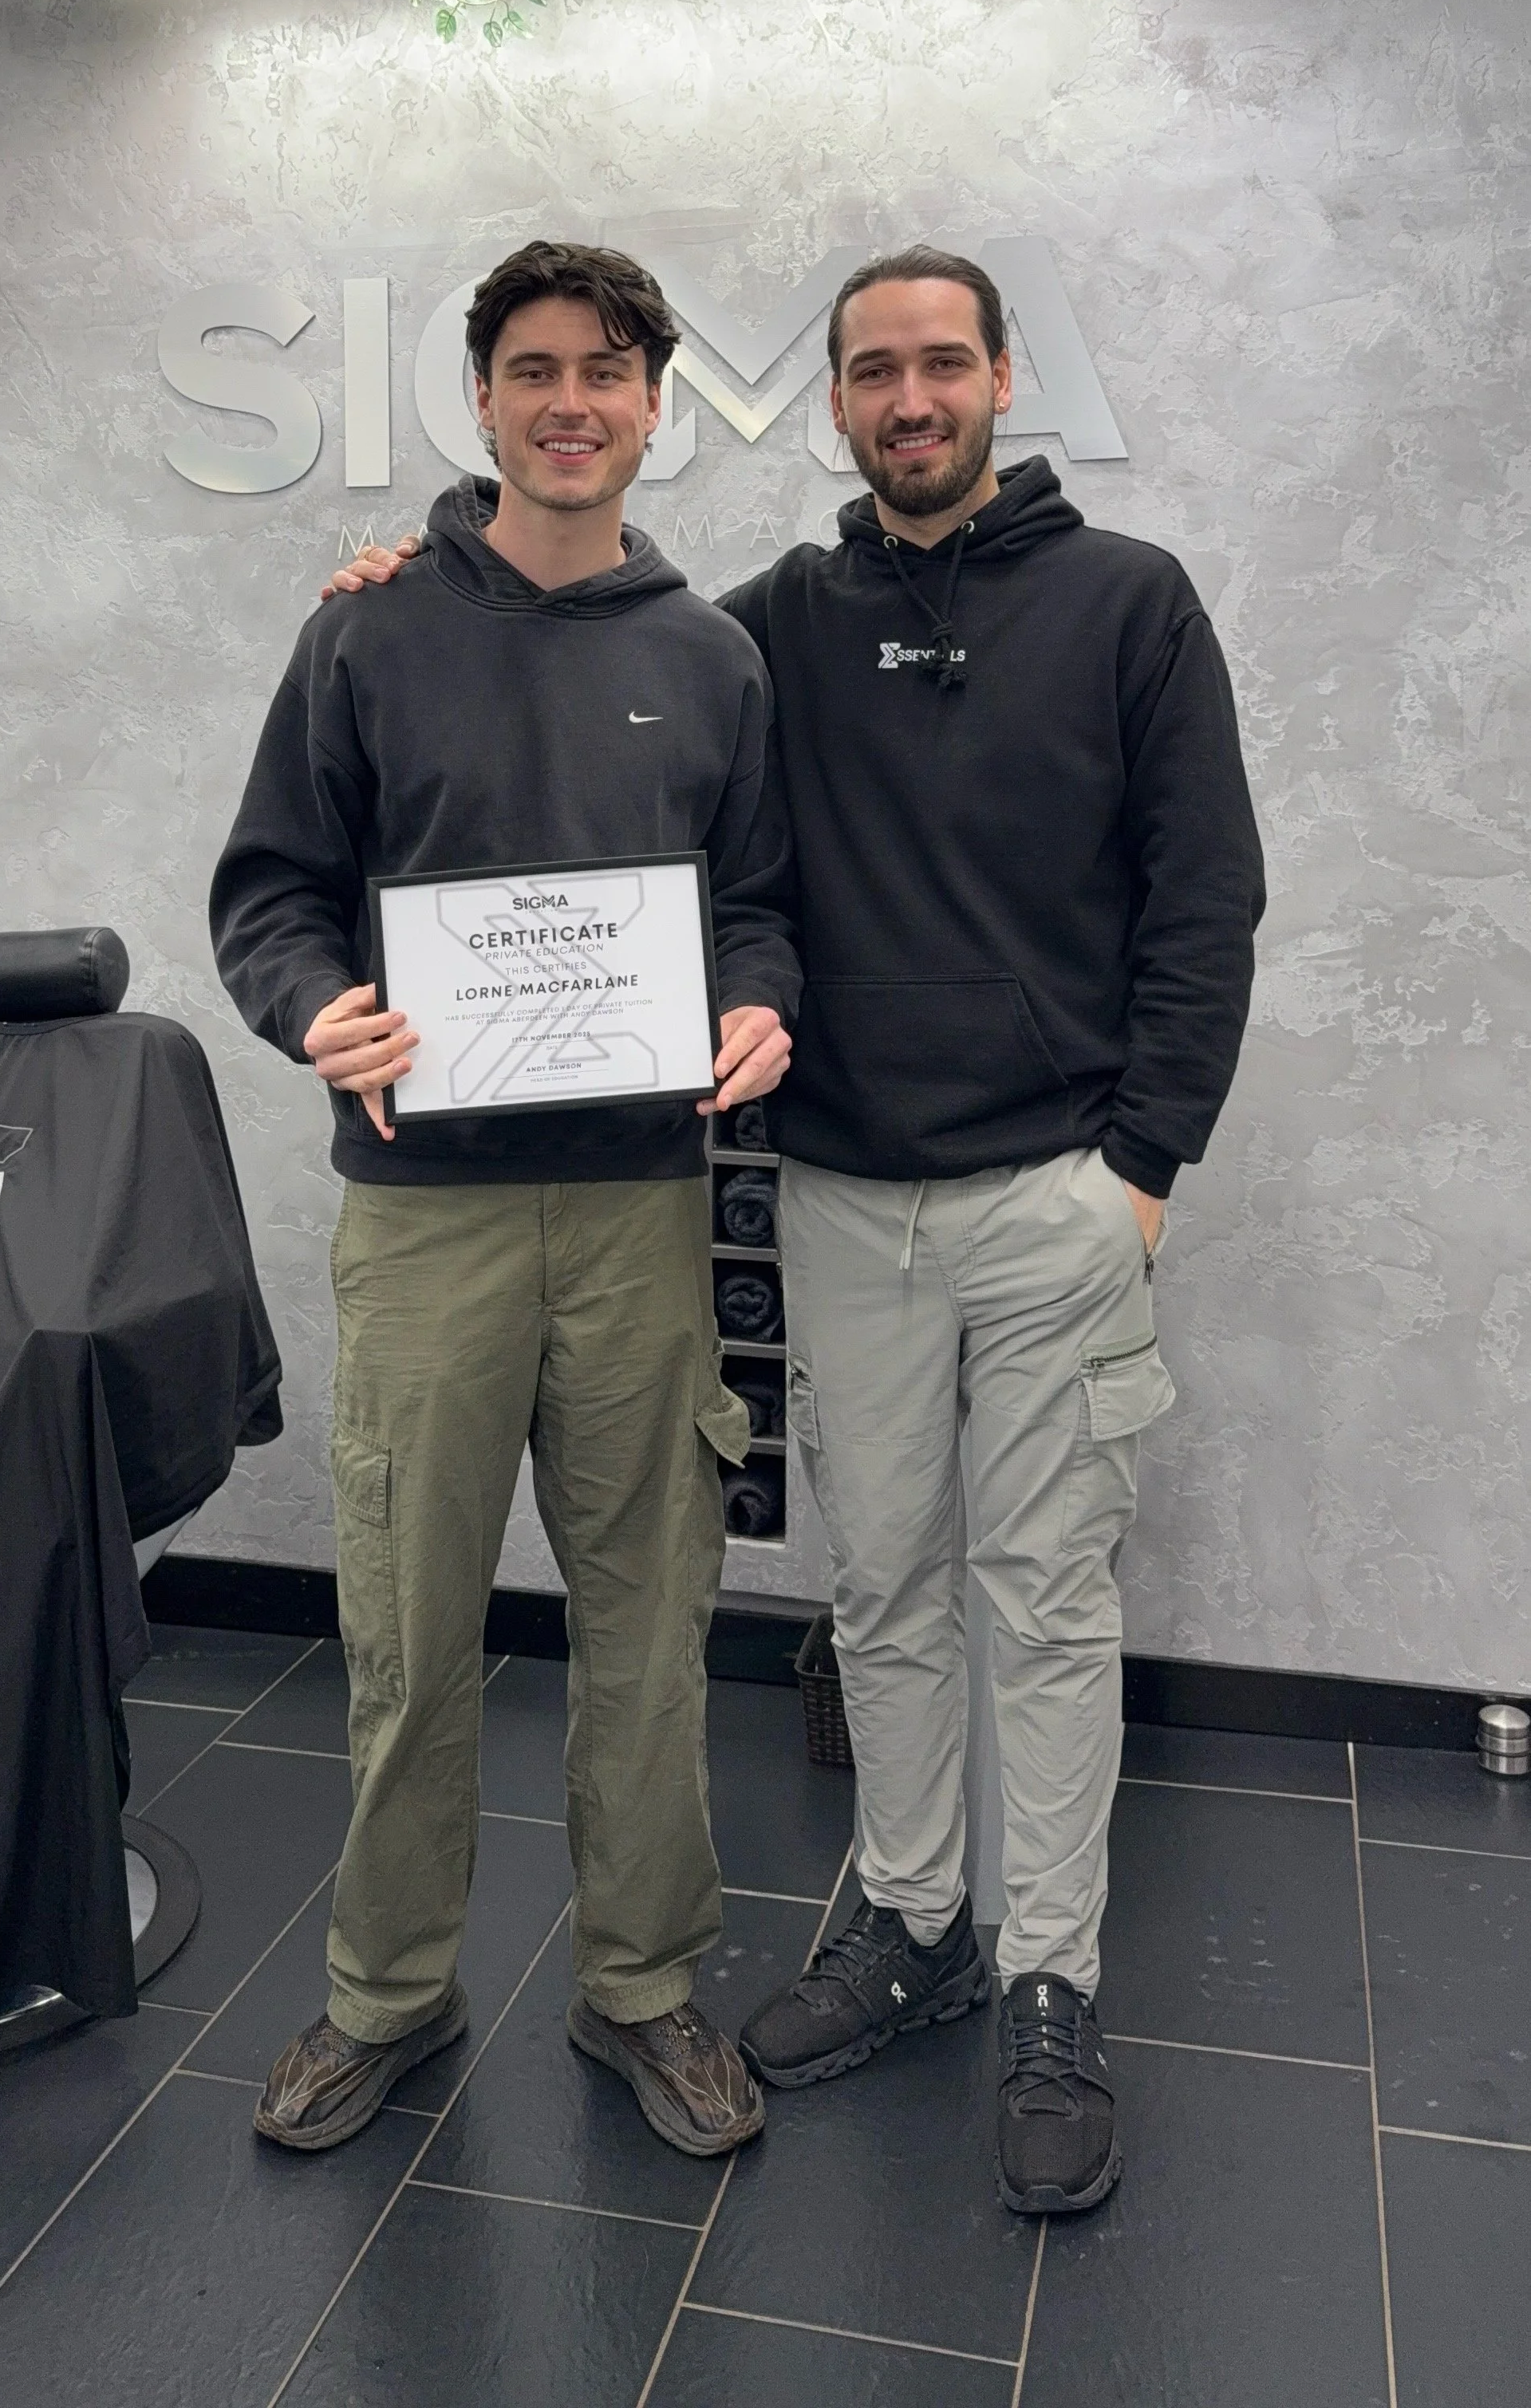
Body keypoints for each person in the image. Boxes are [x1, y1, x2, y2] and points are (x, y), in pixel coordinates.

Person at [322, 240, 1264, 2216]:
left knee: (1049, 1599)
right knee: (889, 1591)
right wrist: (408, 574)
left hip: (1054, 1198)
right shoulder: (761, 633)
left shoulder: (1130, 603)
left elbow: (1206, 899)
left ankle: (1052, 1983)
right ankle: (911, 1924)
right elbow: (576, 642)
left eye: (943, 364)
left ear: (1004, 377)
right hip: (838, 1198)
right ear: (827, 404)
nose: (910, 400)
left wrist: (1146, 1169)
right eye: (873, 373)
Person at [211, 238, 799, 2164]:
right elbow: (270, 892)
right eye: (534, 369)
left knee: (650, 1626)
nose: (571, 403)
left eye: (608, 373)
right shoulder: (367, 632)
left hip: (639, 1215)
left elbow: (766, 902)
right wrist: (321, 1013)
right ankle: (388, 1988)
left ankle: (645, 1991)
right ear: (481, 398)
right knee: (406, 1622)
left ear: (652, 408)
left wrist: (760, 1004)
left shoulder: (711, 658)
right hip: (426, 1218)